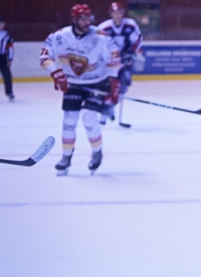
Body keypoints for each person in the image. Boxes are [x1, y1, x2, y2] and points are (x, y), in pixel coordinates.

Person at [40, 4, 121, 176]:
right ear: (74, 19)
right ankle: (66, 157)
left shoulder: (101, 37)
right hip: (73, 84)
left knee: (88, 116)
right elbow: (44, 56)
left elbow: (114, 59)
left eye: (88, 18)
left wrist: (114, 82)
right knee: (69, 120)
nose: (87, 22)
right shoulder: (60, 36)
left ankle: (97, 151)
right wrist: (56, 73)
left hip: (97, 83)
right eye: (82, 18)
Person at [97, 2, 143, 124]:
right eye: (114, 13)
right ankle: (104, 112)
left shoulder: (131, 25)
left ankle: (111, 107)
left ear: (123, 13)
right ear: (111, 14)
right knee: (107, 87)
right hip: (110, 63)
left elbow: (138, 39)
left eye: (119, 12)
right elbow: (96, 45)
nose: (117, 15)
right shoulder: (104, 27)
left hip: (125, 62)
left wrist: (132, 53)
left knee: (123, 87)